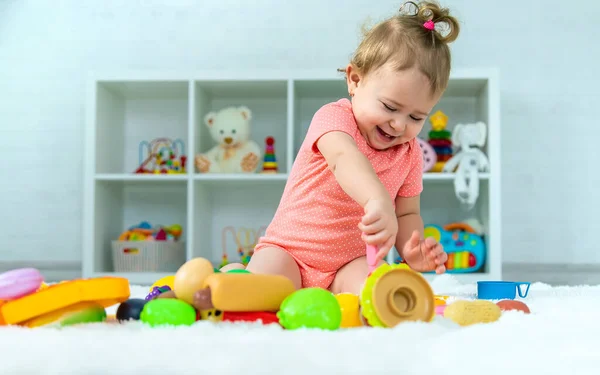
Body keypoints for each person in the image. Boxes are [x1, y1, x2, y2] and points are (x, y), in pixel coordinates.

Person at [222, 1, 461, 295]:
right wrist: (377, 199)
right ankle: (235, 272)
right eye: (389, 107)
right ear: (355, 80)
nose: (399, 125)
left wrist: (412, 248)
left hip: (350, 263)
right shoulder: (334, 118)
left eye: (415, 117)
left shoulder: (409, 153)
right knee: (263, 292)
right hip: (289, 253)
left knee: (380, 292)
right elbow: (344, 159)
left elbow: (406, 214)